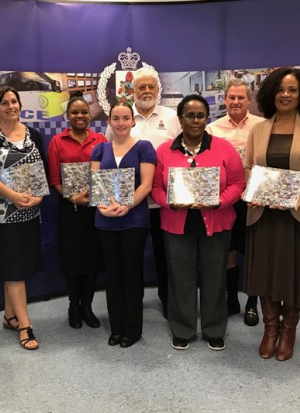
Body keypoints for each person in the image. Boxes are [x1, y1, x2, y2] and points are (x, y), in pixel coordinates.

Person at [243, 67, 300, 361]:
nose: (286, 95)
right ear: (271, 93)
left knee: (294, 276)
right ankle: (270, 329)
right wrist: (254, 191)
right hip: (265, 216)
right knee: (266, 275)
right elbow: (248, 167)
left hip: (299, 216)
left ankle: (288, 331)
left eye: (292, 90)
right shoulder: (259, 129)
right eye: (281, 89)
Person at [152, 95, 245, 351]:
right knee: (180, 278)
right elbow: (156, 187)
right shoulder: (164, 151)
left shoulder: (224, 148)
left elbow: (238, 183)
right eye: (190, 116)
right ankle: (182, 329)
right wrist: (170, 202)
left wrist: (219, 201)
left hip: (216, 222)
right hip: (176, 224)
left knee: (214, 277)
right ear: (180, 119)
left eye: (200, 115)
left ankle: (214, 329)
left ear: (206, 118)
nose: (195, 121)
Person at [0, 86, 46, 350]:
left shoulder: (33, 134)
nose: (11, 107)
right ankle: (25, 326)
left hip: (30, 211)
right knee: (15, 269)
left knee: (16, 266)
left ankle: (9, 316)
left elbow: (41, 171)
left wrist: (38, 197)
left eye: (14, 101)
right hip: (2, 214)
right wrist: (12, 196)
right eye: (4, 103)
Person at [107, 67, 180, 318]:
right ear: (132, 91)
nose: (146, 91)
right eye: (141, 87)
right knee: (130, 258)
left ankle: (168, 301)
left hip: (163, 203)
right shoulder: (122, 118)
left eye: (151, 87)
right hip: (130, 204)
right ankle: (132, 305)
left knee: (165, 255)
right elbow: (110, 159)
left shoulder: (172, 117)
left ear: (158, 90)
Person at [92, 102, 156, 348]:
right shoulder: (100, 149)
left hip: (134, 222)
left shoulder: (143, 148)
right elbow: (95, 183)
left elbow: (146, 185)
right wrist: (102, 207)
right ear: (109, 121)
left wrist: (126, 206)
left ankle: (132, 329)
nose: (121, 123)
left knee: (131, 275)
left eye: (125, 118)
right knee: (113, 276)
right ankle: (116, 328)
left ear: (133, 121)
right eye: (116, 118)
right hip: (105, 222)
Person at [47, 92, 107, 329]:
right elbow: (54, 179)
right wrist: (72, 197)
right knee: (72, 259)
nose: (80, 116)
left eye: (84, 112)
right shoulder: (57, 142)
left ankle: (87, 306)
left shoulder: (101, 140)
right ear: (67, 116)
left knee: (92, 258)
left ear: (90, 115)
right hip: (69, 209)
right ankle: (73, 305)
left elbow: (105, 174)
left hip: (95, 209)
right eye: (75, 112)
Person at [207, 78, 263, 325]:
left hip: (254, 200)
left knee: (253, 253)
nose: (236, 101)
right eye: (232, 97)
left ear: (249, 100)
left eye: (241, 97)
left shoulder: (263, 127)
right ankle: (231, 300)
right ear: (225, 100)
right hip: (226, 201)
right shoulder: (213, 129)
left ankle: (252, 304)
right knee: (228, 252)